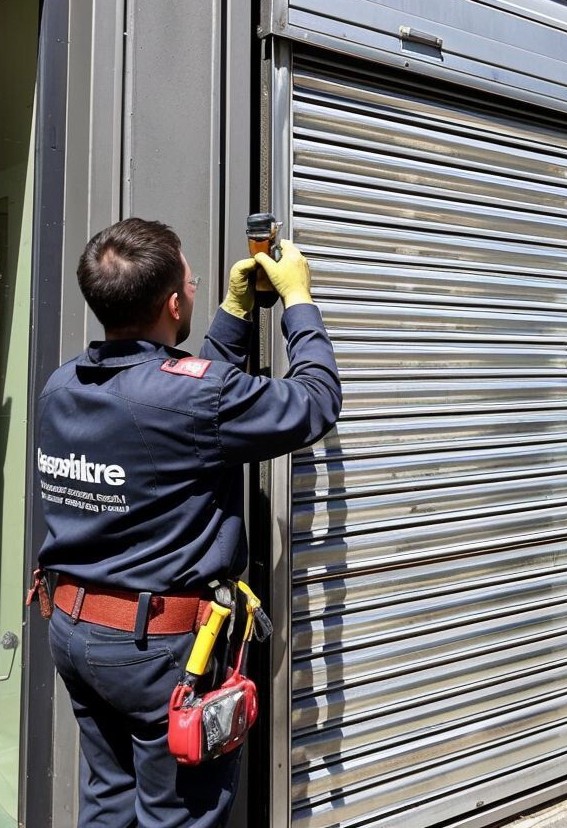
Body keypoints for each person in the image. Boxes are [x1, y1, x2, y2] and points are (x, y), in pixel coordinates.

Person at [30, 218, 342, 828]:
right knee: (178, 816)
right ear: (174, 302)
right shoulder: (187, 399)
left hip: (74, 632)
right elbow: (314, 402)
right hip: (157, 656)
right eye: (194, 283)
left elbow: (182, 405)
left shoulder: (62, 385)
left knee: (109, 802)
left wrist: (231, 313)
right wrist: (299, 300)